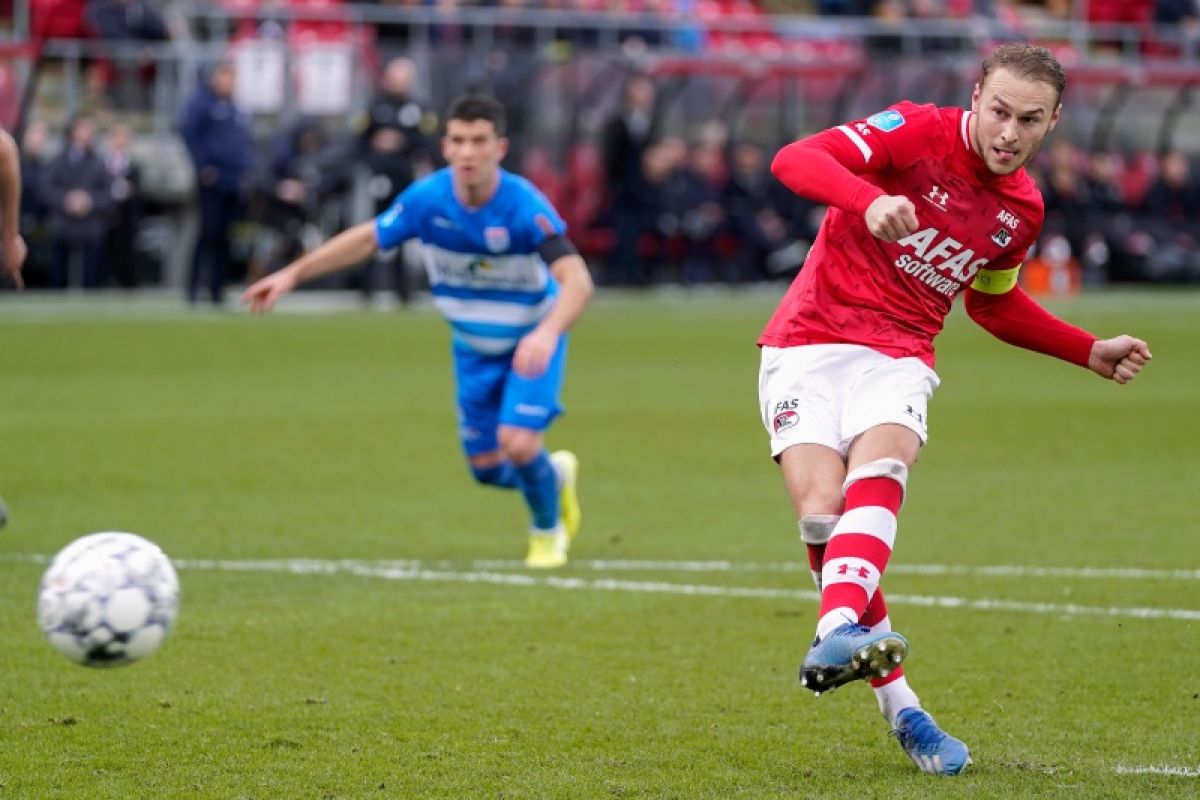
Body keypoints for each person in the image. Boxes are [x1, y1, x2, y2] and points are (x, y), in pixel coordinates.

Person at [759, 43, 1151, 775]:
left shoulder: (1021, 210)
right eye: (999, 111)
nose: (1009, 132)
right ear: (977, 96)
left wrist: (1085, 348)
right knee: (820, 513)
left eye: (1029, 120)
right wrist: (867, 198)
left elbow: (991, 306)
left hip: (901, 352)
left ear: (1053, 121)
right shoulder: (914, 131)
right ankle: (905, 711)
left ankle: (837, 626)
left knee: (883, 464)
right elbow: (793, 159)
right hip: (807, 339)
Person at [243, 94, 594, 569]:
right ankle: (553, 479)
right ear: (445, 147)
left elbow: (578, 280)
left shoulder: (524, 207)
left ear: (500, 148)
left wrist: (548, 333)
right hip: (472, 349)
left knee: (518, 441)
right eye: (458, 141)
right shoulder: (427, 202)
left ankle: (546, 534)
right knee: (488, 470)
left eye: (479, 141)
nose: (468, 152)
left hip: (531, 345)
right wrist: (292, 274)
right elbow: (368, 238)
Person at [179, 61, 253, 306]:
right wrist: (203, 167)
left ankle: (217, 290)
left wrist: (244, 169)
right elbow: (189, 133)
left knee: (225, 236)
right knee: (208, 233)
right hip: (212, 179)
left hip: (233, 180)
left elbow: (241, 143)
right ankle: (192, 289)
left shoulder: (235, 107)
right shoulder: (202, 103)